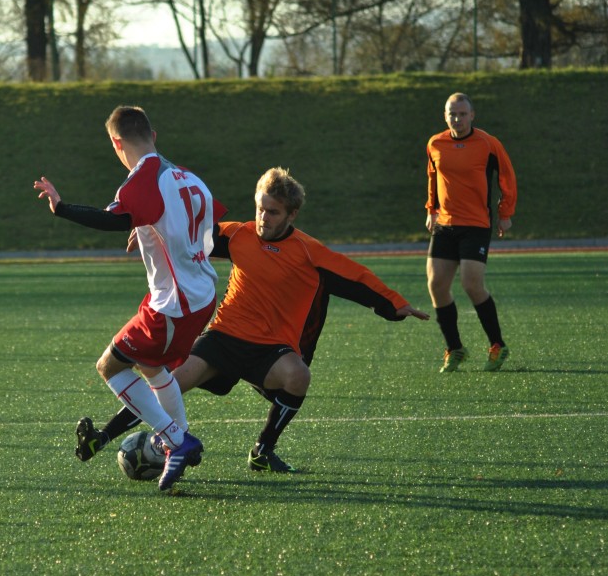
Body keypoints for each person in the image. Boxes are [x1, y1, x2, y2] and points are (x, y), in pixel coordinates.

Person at [76, 167, 429, 473]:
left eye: (273, 212)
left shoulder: (310, 252)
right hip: (223, 338)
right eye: (260, 208)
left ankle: (263, 452)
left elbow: (356, 277)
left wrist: (394, 304)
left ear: (292, 215)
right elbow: (185, 234)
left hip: (271, 349)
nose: (263, 218)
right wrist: (151, 233)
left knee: (298, 377)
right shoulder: (237, 234)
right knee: (169, 383)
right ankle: (103, 437)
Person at [33, 105, 221, 492]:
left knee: (110, 366)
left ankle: (176, 440)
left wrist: (61, 208)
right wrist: (152, 227)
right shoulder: (189, 177)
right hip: (202, 294)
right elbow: (205, 229)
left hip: (173, 303)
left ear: (116, 143)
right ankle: (177, 441)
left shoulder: (140, 182)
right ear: (153, 135)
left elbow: (113, 220)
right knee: (151, 367)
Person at [425, 92, 517, 372]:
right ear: (445, 116)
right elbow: (433, 176)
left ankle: (498, 345)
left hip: (476, 225)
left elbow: (507, 177)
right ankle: (455, 348)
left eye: (462, 114)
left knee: (471, 284)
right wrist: (431, 209)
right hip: (445, 224)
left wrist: (505, 214)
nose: (457, 119)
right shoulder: (435, 143)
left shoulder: (488, 144)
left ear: (472, 115)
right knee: (436, 285)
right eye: (452, 114)